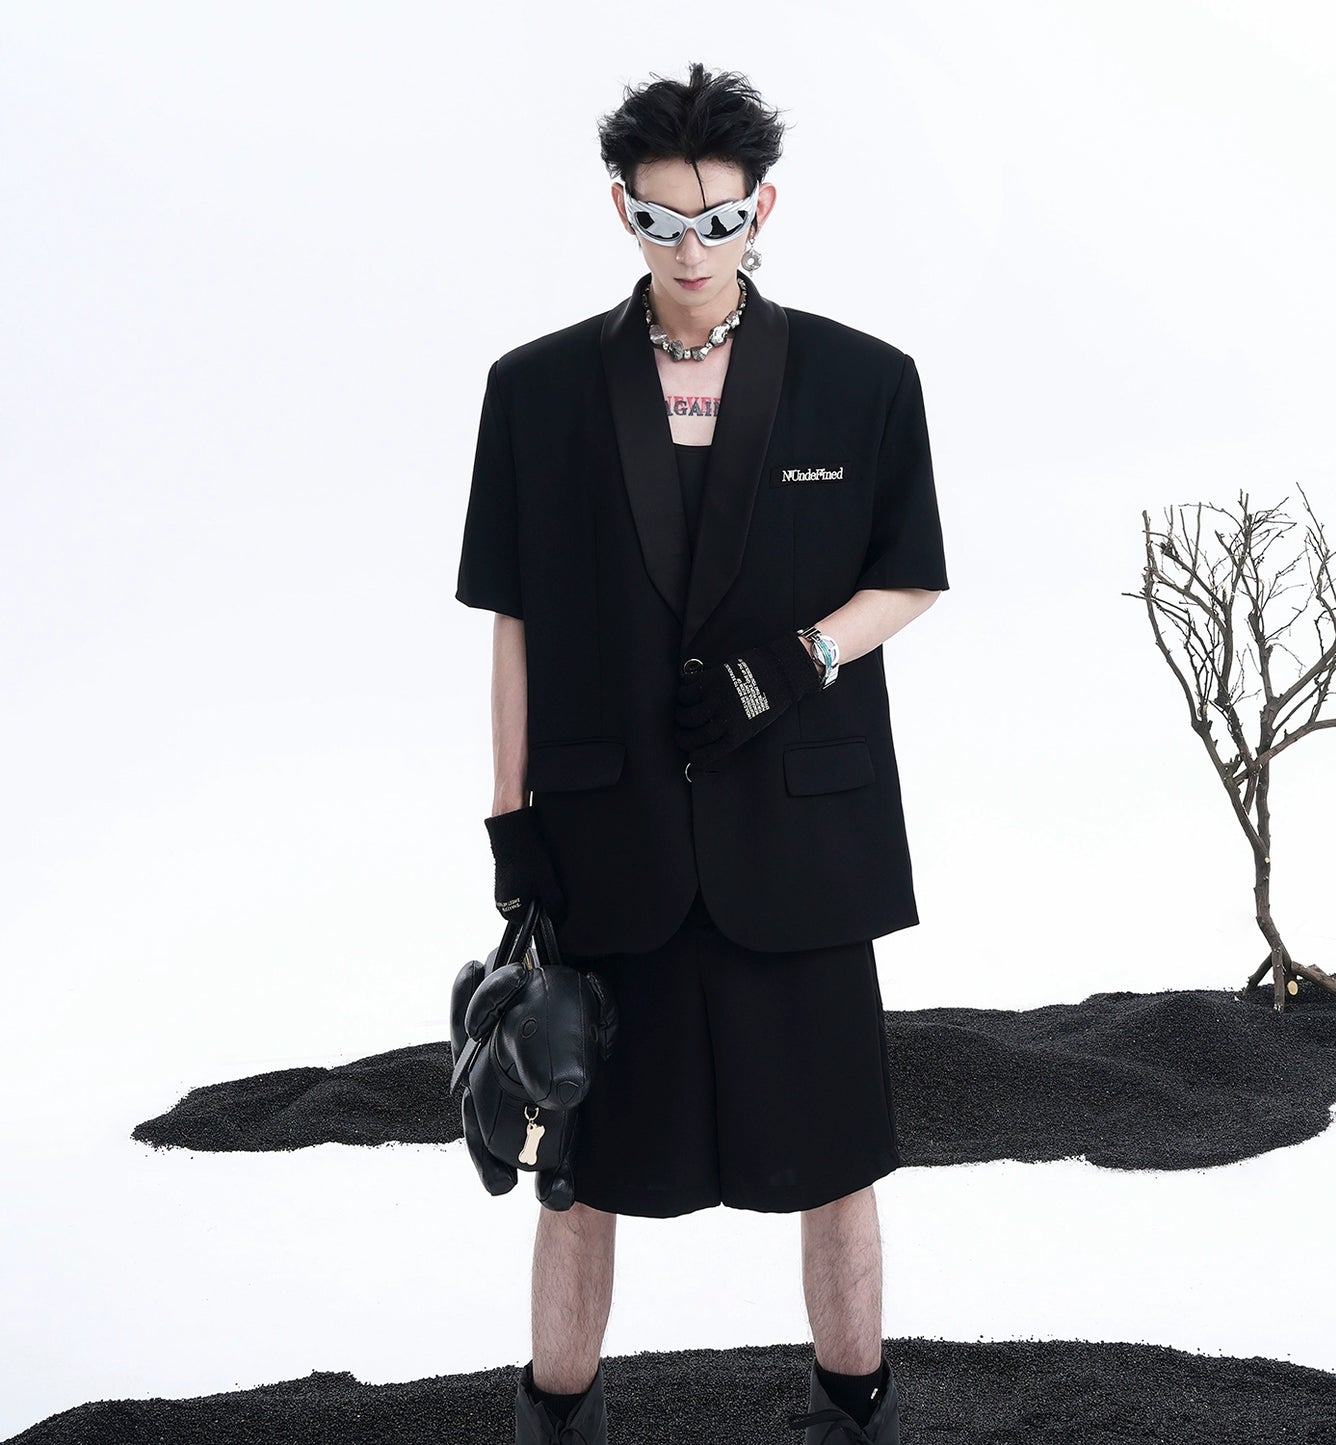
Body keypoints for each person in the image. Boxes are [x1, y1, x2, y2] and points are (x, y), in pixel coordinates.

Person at [456, 62, 949, 1445]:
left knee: (837, 1163)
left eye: (718, 221)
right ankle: (556, 1422)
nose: (691, 252)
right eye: (662, 222)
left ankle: (855, 1414)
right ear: (622, 209)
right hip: (606, 841)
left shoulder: (864, 381)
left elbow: (909, 574)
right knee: (577, 1171)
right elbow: (513, 626)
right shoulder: (535, 392)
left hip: (801, 837)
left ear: (761, 209)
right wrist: (510, 825)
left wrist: (794, 662)